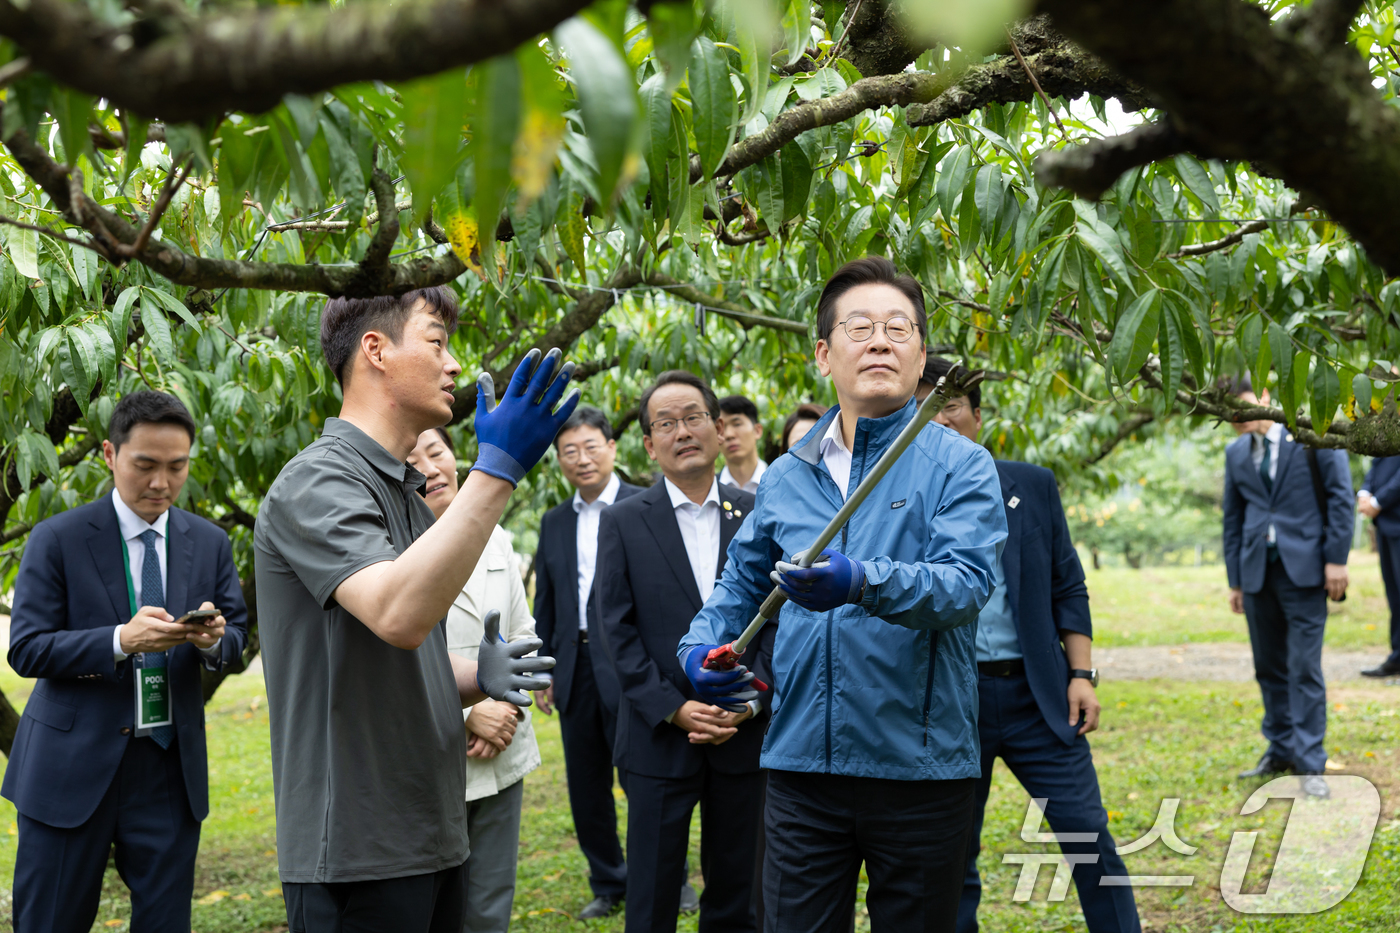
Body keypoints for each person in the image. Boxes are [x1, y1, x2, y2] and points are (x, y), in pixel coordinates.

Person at [681, 256, 1007, 933]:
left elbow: (965, 584)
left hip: (920, 769)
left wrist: (861, 580)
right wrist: (698, 647)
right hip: (802, 767)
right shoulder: (786, 477)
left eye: (899, 327)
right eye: (860, 327)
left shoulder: (962, 464)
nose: (881, 340)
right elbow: (739, 585)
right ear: (825, 354)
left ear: (921, 354)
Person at [254, 286, 569, 932]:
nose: (453, 364)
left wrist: (474, 676)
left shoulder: (401, 488)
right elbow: (396, 612)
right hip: (359, 851)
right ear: (375, 349)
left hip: (430, 832)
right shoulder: (319, 480)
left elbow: (397, 647)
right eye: (436, 341)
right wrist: (498, 470)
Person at [4, 390, 248, 933]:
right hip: (70, 769)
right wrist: (119, 640)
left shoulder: (208, 542)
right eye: (145, 466)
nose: (161, 483)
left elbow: (236, 637)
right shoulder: (57, 538)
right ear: (111, 456)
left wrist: (210, 639)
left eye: (176, 467)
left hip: (168, 771)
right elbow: (25, 648)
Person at [919, 359, 1141, 933]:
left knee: (1089, 837)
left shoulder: (1031, 485)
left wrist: (1081, 673)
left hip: (1036, 696)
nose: (938, 420)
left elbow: (1068, 583)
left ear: (976, 416)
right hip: (948, 702)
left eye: (949, 406)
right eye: (922, 407)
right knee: (948, 856)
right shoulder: (901, 501)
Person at [596, 370, 773, 933]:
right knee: (650, 896)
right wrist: (673, 707)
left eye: (694, 417)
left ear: (719, 428)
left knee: (738, 895)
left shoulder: (759, 513)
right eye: (665, 423)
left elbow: (782, 623)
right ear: (649, 444)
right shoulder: (622, 521)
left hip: (743, 735)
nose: (682, 431)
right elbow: (614, 632)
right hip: (657, 739)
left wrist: (747, 703)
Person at [408, 427, 543, 933]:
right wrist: (468, 712)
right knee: (433, 905)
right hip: (433, 751)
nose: (429, 468)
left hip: (503, 749)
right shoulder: (388, 550)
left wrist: (505, 709)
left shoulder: (496, 537)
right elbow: (391, 658)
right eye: (412, 458)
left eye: (437, 452)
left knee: (489, 903)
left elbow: (523, 634)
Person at [531, 407, 652, 919]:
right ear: (558, 460)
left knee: (645, 778)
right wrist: (542, 667)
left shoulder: (645, 506)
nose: (581, 460)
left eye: (590, 447)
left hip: (631, 665)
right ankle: (609, 881)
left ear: (612, 447)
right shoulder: (555, 521)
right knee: (586, 784)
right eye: (569, 451)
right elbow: (549, 602)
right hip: (573, 665)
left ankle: (656, 876)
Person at [1221, 374, 1352, 798]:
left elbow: (1340, 498)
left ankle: (1310, 762)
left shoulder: (1312, 434)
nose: (1237, 418)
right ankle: (1280, 750)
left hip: (1307, 569)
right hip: (1257, 571)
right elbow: (1233, 519)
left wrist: (1336, 559)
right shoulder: (1235, 453)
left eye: (1241, 406)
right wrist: (1235, 580)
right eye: (1229, 413)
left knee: (1303, 667)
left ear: (1263, 396)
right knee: (1267, 667)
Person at [1359, 455, 1400, 677]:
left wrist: (1378, 502)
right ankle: (1397, 657)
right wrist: (1364, 493)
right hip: (1386, 524)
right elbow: (1376, 462)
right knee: (1394, 596)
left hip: (1391, 514)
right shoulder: (1387, 425)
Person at [718, 395, 767, 492]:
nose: (729, 435)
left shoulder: (779, 483)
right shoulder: (711, 490)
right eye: (721, 428)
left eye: (737, 424)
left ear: (757, 431)